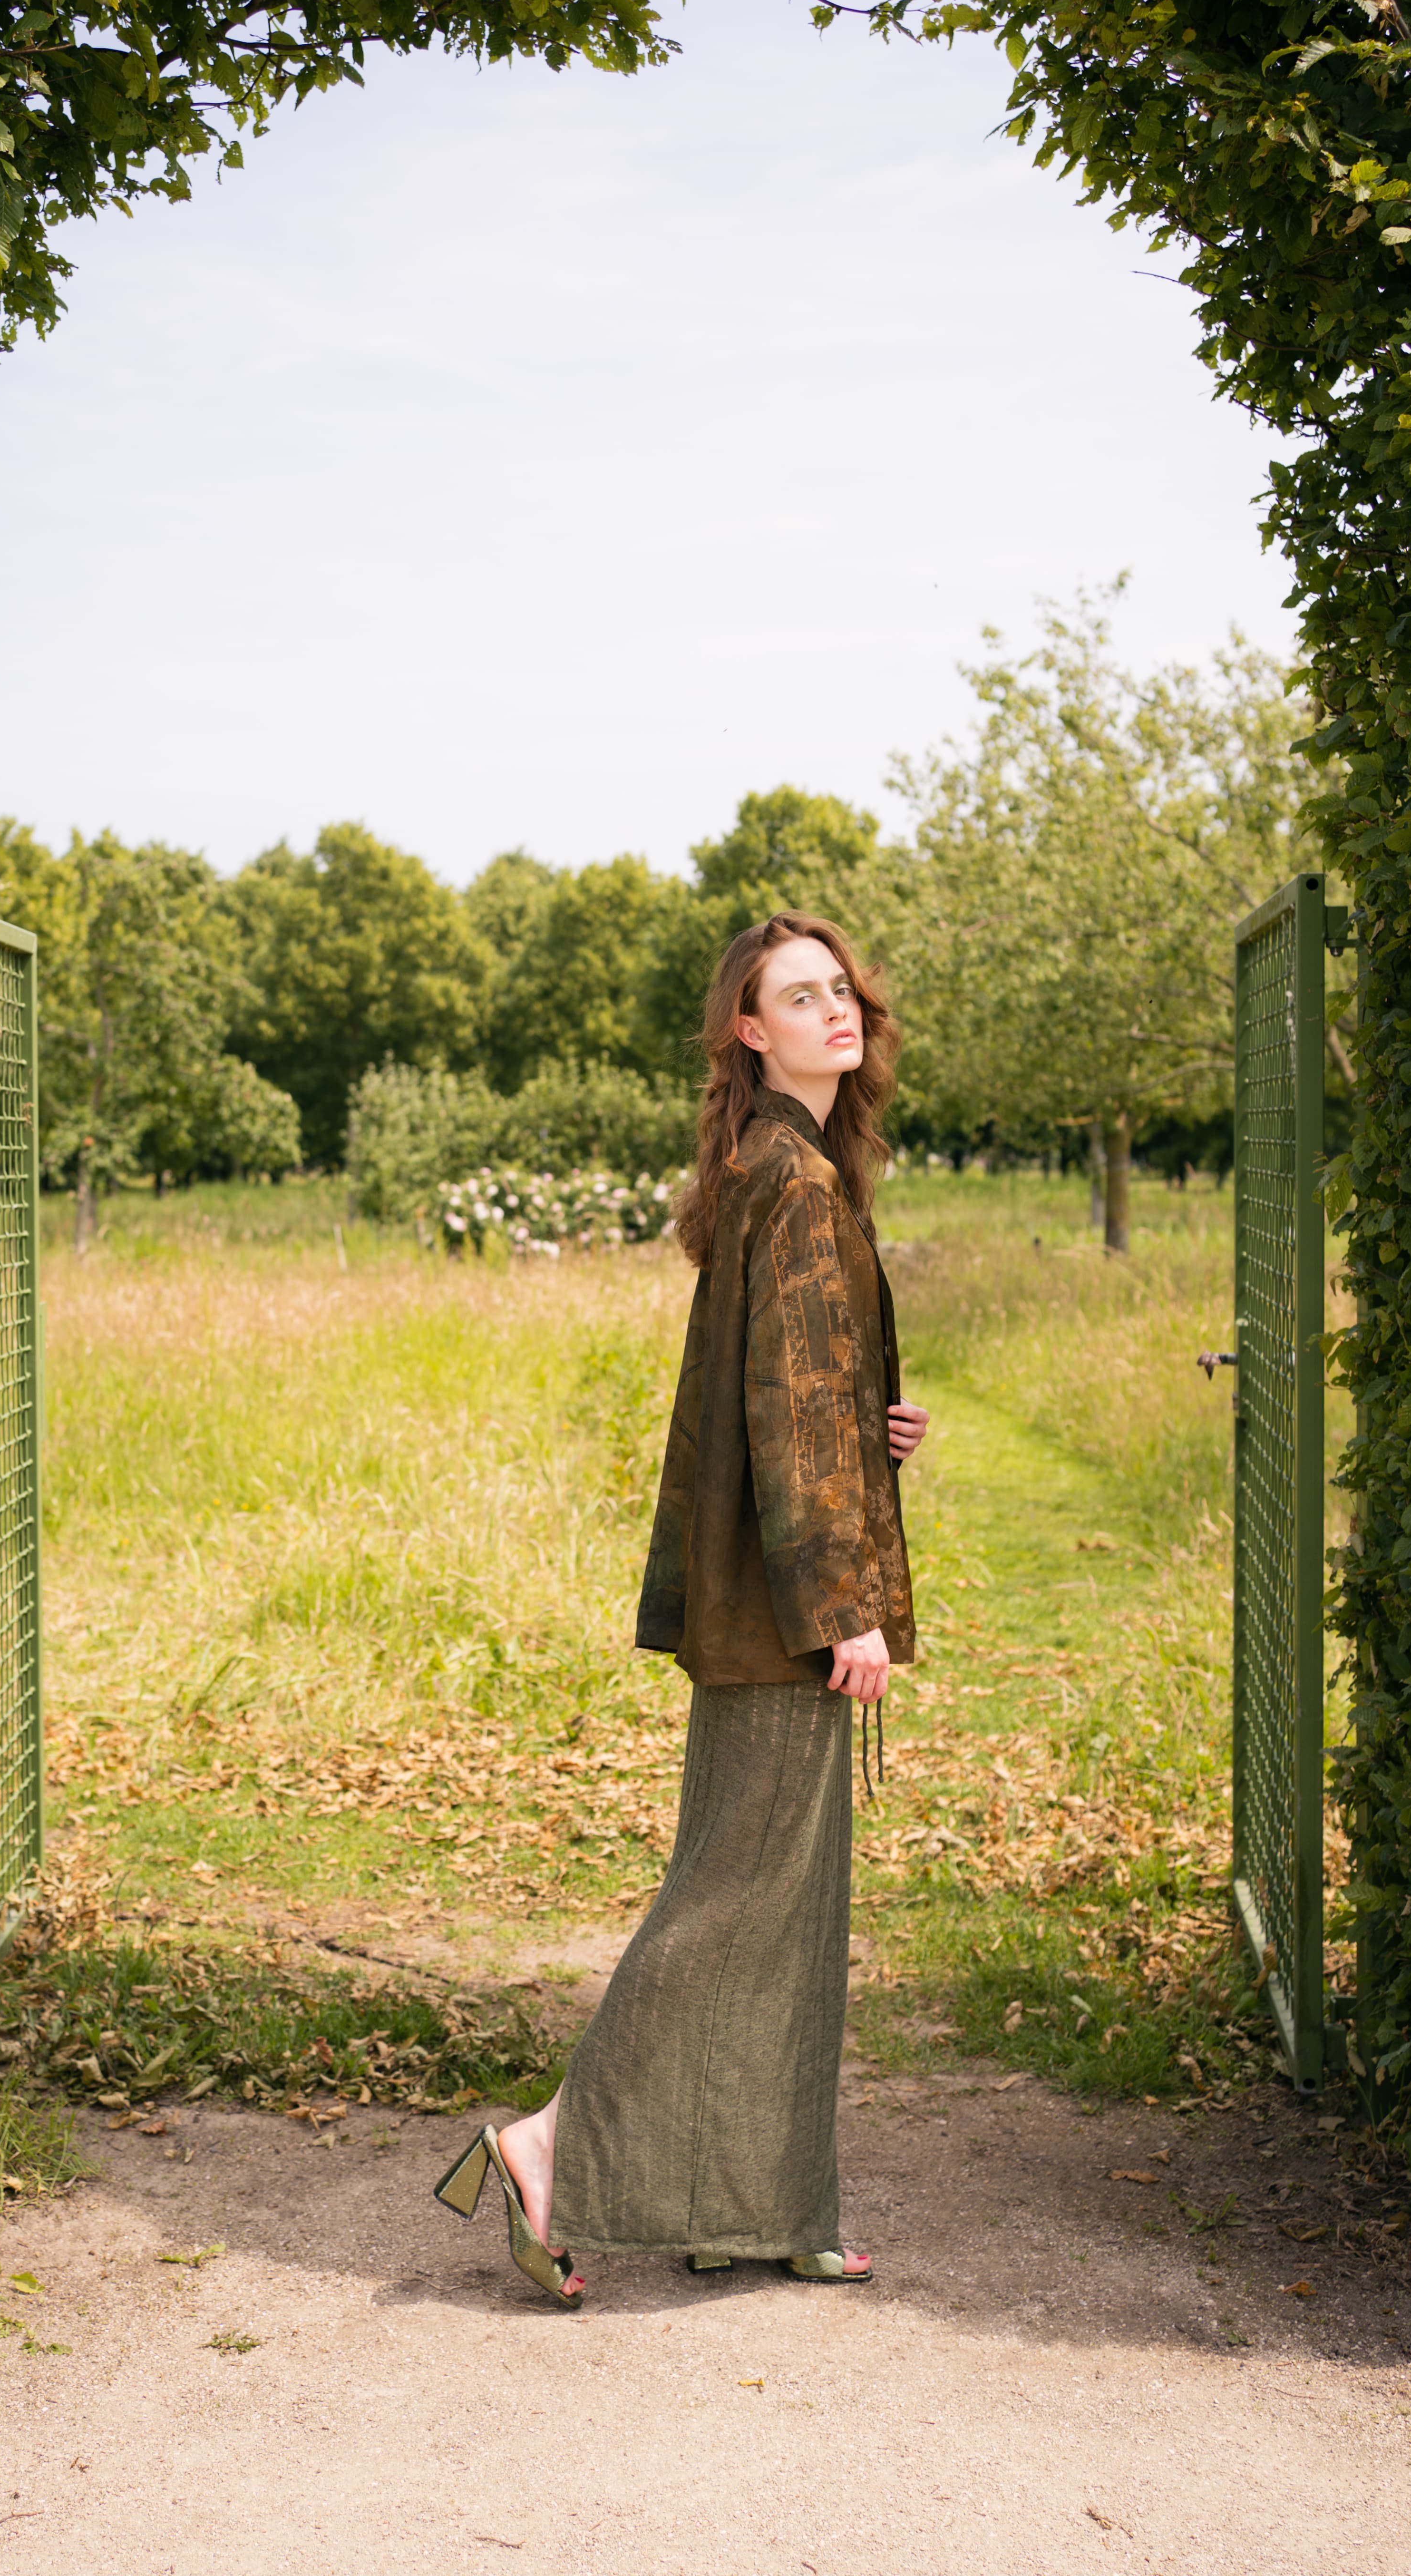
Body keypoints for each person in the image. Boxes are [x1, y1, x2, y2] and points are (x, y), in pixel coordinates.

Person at [434, 913, 929, 2305]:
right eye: (800, 996)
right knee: (737, 1901)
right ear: (750, 1033)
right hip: (785, 1619)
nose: (835, 1008)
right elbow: (785, 1420)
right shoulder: (798, 1182)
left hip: (758, 1606)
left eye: (841, 988)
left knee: (774, 1909)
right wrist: (846, 1608)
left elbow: (791, 1396)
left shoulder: (779, 1167)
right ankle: (547, 2147)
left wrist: (872, 1423)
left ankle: (743, 2202)